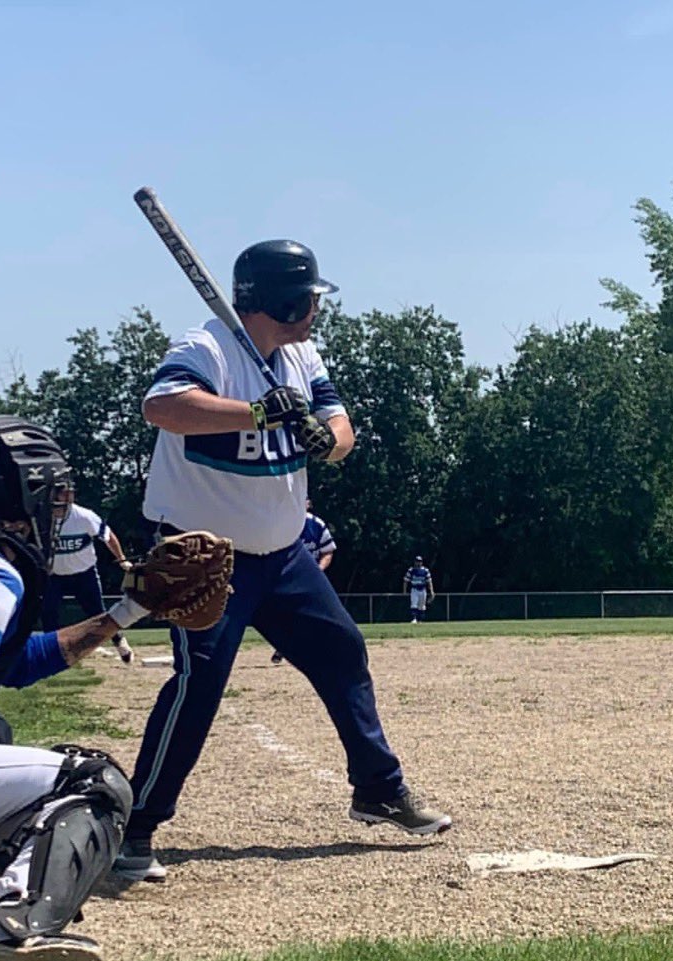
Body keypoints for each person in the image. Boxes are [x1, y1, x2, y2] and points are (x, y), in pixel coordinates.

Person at [114, 239, 451, 882]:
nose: (317, 308)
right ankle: (137, 827)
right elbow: (162, 407)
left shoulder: (299, 354)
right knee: (199, 685)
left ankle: (376, 788)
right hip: (210, 558)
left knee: (342, 651)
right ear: (282, 299)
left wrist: (327, 441)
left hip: (284, 555)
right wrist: (260, 412)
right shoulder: (208, 347)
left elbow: (340, 429)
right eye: (311, 297)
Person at [0, 416, 154, 961]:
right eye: (54, 491)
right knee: (95, 781)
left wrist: (124, 615)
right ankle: (10, 933)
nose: (60, 505)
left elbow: (11, 664)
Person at [43, 494, 135, 665]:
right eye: (53, 507)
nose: (56, 512)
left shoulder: (84, 517)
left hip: (83, 573)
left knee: (98, 613)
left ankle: (119, 641)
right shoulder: (42, 518)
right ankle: (51, 656)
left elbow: (107, 536)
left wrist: (121, 559)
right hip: (54, 575)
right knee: (48, 613)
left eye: (60, 507)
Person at [271, 498, 335, 664]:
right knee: (286, 615)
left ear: (308, 504)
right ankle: (283, 646)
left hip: (311, 578)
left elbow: (328, 551)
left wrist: (318, 571)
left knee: (320, 615)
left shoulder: (316, 524)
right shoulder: (283, 523)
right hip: (286, 577)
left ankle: (319, 648)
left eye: (305, 500)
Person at [404, 555, 434, 623]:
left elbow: (429, 581)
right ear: (415, 562)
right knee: (414, 603)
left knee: (422, 605)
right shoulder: (411, 570)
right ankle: (414, 618)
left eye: (420, 561)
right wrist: (404, 590)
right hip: (414, 589)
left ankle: (420, 620)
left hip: (423, 589)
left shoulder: (425, 570)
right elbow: (406, 580)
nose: (418, 563)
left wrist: (431, 591)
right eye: (417, 561)